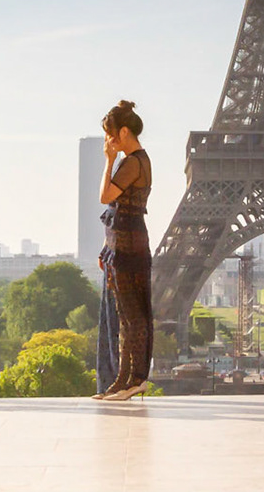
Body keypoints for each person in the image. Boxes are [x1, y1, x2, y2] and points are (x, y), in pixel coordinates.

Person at [94, 99, 152, 401]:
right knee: (126, 314)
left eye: (111, 134)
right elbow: (117, 208)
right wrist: (107, 249)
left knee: (131, 315)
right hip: (124, 241)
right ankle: (123, 380)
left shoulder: (131, 162)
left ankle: (134, 379)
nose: (109, 141)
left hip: (129, 242)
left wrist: (107, 160)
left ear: (125, 131)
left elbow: (106, 196)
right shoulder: (135, 161)